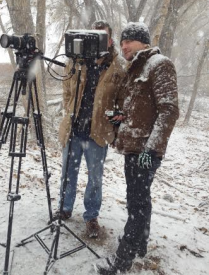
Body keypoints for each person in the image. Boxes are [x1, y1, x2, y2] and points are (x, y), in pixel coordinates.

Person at [95, 22, 179, 274]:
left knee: (137, 204)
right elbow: (135, 112)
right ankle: (140, 245)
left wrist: (150, 150)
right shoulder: (135, 70)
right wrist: (115, 119)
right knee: (140, 201)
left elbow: (169, 111)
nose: (124, 46)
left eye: (129, 41)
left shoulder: (160, 64)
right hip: (133, 148)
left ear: (144, 42)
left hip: (145, 151)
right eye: (121, 42)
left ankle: (122, 261)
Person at [53, 20, 125, 238]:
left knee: (95, 177)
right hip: (73, 131)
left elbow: (122, 103)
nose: (97, 40)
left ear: (110, 40)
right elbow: (66, 90)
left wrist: (111, 125)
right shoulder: (76, 61)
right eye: (93, 35)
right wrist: (70, 109)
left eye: (102, 36)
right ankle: (65, 209)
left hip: (98, 134)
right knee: (68, 173)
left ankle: (91, 216)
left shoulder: (119, 67)